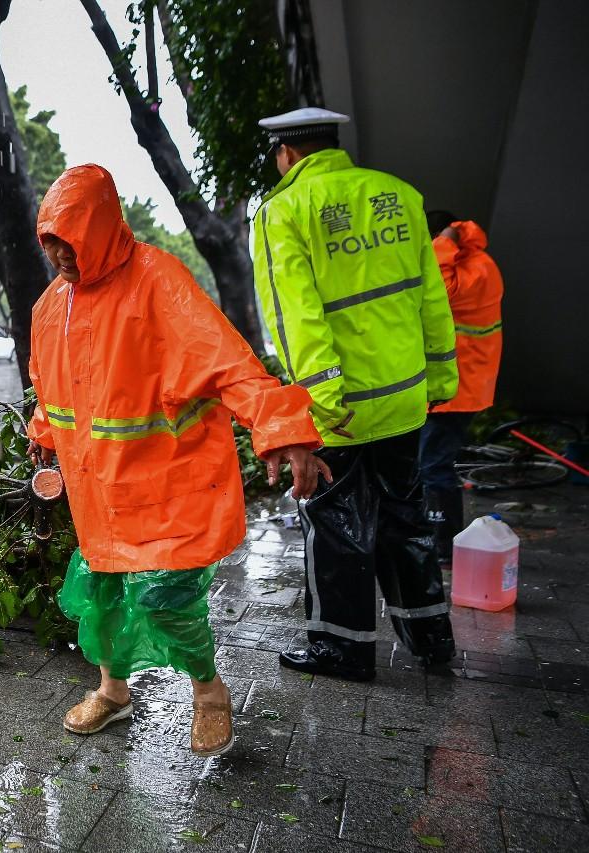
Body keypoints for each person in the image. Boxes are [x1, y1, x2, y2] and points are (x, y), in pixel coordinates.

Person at [27, 164, 329, 755]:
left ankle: (209, 695)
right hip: (99, 493)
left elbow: (229, 364)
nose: (61, 255)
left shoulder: (157, 281)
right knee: (103, 597)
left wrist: (283, 428)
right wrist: (43, 434)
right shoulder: (49, 308)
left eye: (71, 240)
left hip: (167, 486)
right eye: (51, 243)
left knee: (167, 599)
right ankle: (114, 692)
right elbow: (53, 390)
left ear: (101, 228)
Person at [253, 107, 459, 681]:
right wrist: (441, 380)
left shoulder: (283, 211)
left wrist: (318, 406)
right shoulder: (398, 195)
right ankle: (431, 638)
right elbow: (430, 301)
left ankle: (342, 650)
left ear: (287, 154)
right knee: (406, 517)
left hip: (340, 407)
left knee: (337, 526)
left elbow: (296, 322)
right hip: (404, 400)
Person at [420, 211, 504, 563]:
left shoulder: (474, 268)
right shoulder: (477, 263)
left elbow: (438, 288)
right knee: (431, 463)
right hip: (459, 384)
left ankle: (443, 545)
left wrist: (444, 242)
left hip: (457, 389)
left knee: (433, 466)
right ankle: (438, 538)